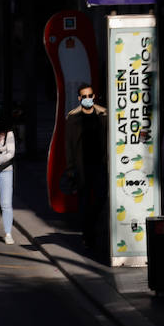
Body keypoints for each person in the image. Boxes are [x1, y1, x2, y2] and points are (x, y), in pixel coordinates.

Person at [64, 82, 109, 258]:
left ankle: (90, 227)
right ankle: (88, 235)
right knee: (84, 202)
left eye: (91, 96)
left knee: (100, 198)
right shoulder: (73, 119)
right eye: (85, 97)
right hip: (81, 167)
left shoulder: (102, 116)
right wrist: (70, 168)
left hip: (100, 164)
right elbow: (68, 145)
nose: (88, 99)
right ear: (79, 98)